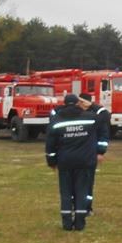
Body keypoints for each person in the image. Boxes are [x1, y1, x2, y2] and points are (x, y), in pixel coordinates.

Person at [45, 94, 99, 231]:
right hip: (85, 161)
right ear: (78, 103)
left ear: (64, 103)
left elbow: (50, 144)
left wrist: (51, 161)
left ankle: (67, 223)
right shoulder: (90, 118)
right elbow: (105, 117)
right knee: (82, 191)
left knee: (66, 193)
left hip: (65, 162)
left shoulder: (56, 120)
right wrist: (92, 105)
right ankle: (80, 223)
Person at [77, 93, 109, 214]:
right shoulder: (74, 112)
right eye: (78, 102)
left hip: (90, 153)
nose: (80, 104)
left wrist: (100, 152)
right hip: (75, 152)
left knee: (88, 181)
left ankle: (87, 207)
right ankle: (76, 205)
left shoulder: (98, 115)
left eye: (82, 102)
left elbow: (104, 133)